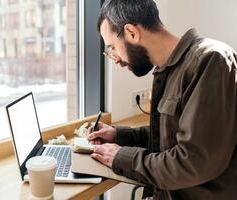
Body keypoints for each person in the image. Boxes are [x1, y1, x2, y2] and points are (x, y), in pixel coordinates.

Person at [87, 0, 237, 199]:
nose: (114, 58)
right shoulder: (167, 70)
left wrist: (120, 157)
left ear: (132, 32)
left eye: (112, 47)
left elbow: (192, 163)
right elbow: (171, 136)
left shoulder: (210, 61)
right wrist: (119, 136)